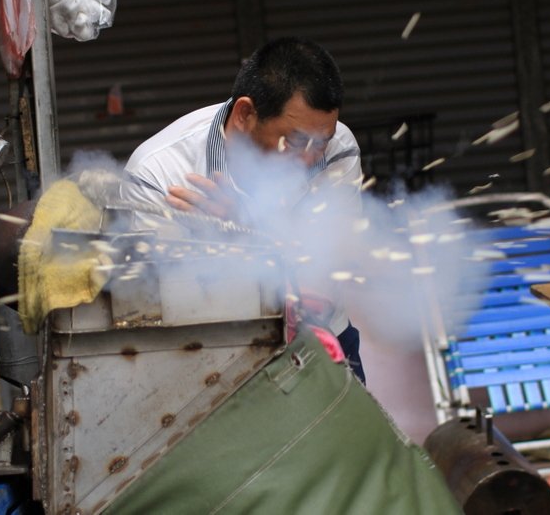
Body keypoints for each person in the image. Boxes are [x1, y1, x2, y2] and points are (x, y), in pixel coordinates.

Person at [120, 36, 366, 383]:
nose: (310, 157)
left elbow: (325, 282)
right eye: (295, 142)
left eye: (320, 143)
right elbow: (154, 308)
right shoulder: (158, 172)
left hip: (324, 343)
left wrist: (245, 233)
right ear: (245, 114)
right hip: (209, 362)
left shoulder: (336, 148)